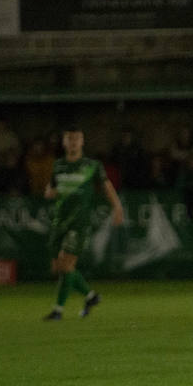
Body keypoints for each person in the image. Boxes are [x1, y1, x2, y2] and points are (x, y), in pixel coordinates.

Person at [43, 124, 125, 321]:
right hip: (59, 221)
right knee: (58, 267)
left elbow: (106, 186)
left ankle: (58, 311)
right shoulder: (58, 165)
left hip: (79, 223)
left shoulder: (92, 165)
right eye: (69, 138)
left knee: (66, 264)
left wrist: (117, 207)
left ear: (82, 141)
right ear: (64, 142)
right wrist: (51, 192)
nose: (73, 142)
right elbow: (50, 189)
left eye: (76, 138)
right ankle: (91, 296)